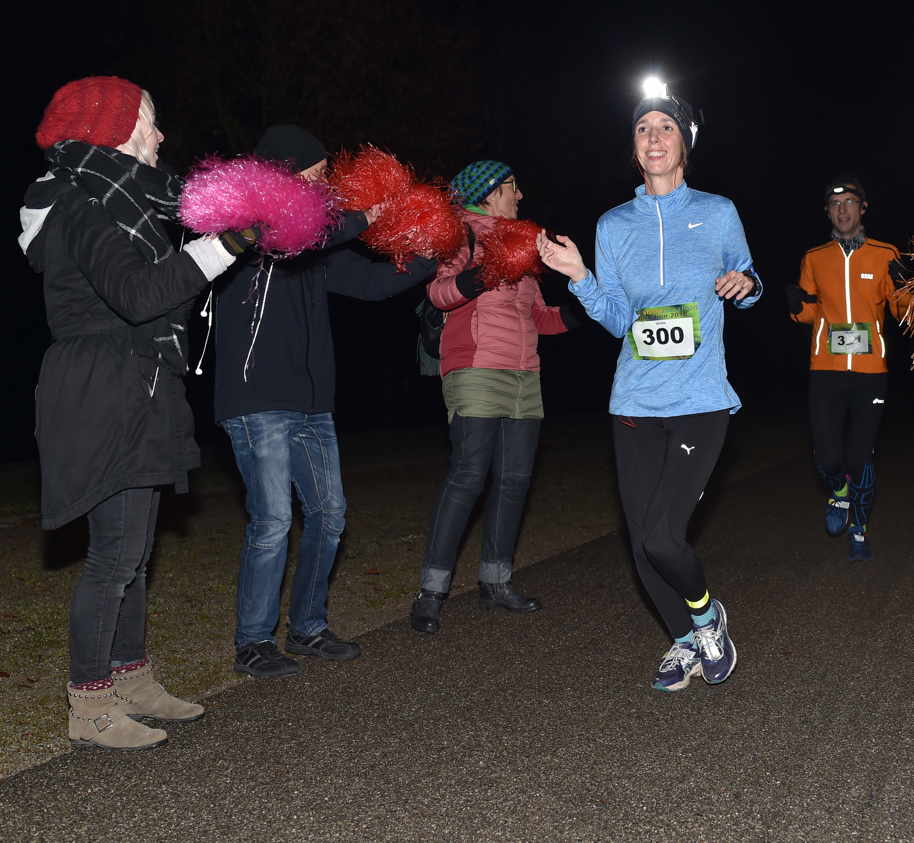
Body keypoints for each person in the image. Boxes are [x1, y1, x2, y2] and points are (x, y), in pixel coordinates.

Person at [21, 76, 238, 750]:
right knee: (113, 555)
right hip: (101, 386)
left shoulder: (117, 202)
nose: (161, 136)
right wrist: (224, 248)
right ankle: (89, 705)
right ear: (110, 130)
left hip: (135, 381)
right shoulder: (80, 204)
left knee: (135, 554)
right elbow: (139, 293)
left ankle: (131, 677)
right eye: (149, 121)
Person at [538, 79, 760, 691]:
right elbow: (616, 319)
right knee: (641, 547)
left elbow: (747, 276)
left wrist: (745, 285)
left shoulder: (717, 212)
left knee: (664, 536)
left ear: (683, 144)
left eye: (665, 127)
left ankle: (707, 615)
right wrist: (580, 274)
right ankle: (686, 642)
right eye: (642, 129)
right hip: (634, 401)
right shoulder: (613, 224)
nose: (653, 137)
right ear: (634, 150)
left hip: (699, 400)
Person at [212, 125, 436, 678]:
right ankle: (253, 641)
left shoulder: (314, 246)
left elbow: (372, 284)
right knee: (271, 520)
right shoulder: (248, 227)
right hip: (258, 398)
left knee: (330, 515)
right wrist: (368, 217)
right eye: (313, 176)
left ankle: (307, 628)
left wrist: (431, 256)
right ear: (282, 173)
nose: (323, 185)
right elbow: (298, 234)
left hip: (314, 403)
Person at [409, 162, 576, 633]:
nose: (520, 195)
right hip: (476, 367)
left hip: (526, 373)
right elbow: (439, 293)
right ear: (487, 193)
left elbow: (541, 319)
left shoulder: (523, 242)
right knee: (468, 476)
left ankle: (496, 582)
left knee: (515, 480)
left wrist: (584, 308)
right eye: (511, 188)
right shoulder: (459, 234)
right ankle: (431, 591)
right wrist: (484, 274)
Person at [785, 179, 905, 561]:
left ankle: (859, 530)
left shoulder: (886, 254)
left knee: (858, 457)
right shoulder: (814, 257)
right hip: (826, 368)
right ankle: (839, 494)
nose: (843, 209)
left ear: (863, 207)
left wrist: (906, 291)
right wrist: (795, 306)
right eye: (835, 204)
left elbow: (902, 313)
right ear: (827, 211)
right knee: (830, 457)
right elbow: (809, 313)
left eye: (850, 202)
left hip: (871, 371)